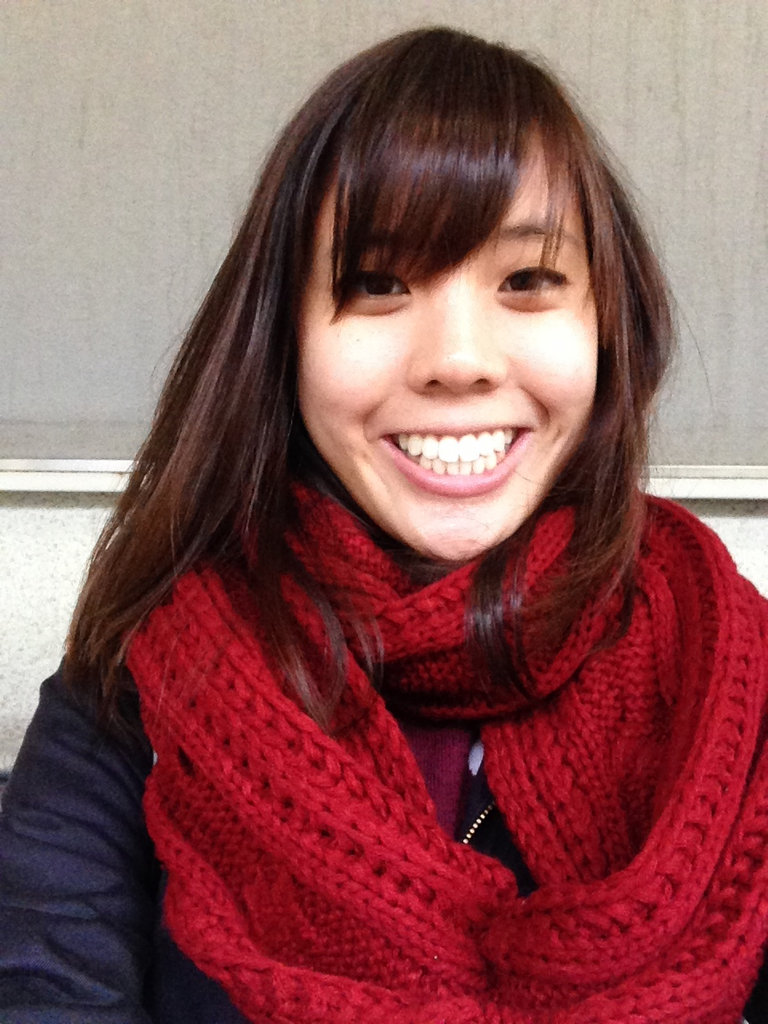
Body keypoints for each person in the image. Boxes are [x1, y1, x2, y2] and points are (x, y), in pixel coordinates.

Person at [1, 25, 766, 1024]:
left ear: (609, 323)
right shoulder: (135, 689)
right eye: (378, 283)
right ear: (285, 337)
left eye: (527, 281)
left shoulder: (727, 671)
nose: (458, 360)